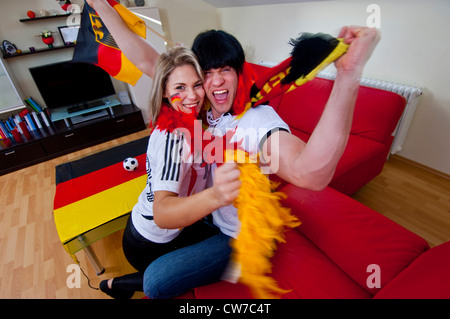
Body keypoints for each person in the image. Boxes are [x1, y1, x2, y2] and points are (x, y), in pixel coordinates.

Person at [86, 0, 380, 299]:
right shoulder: (199, 107)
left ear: (240, 72)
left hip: (234, 235)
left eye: (225, 69)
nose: (216, 82)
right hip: (206, 218)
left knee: (156, 282)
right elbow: (147, 60)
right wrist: (100, 5)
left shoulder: (255, 119)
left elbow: (310, 173)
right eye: (206, 74)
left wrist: (348, 75)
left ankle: (120, 285)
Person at [99, 46, 242, 299]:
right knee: (180, 276)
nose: (192, 96)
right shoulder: (173, 139)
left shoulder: (194, 122)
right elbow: (163, 213)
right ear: (164, 92)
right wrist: (219, 195)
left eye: (197, 85)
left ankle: (116, 285)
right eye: (179, 88)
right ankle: (119, 284)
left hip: (166, 227)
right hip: (151, 241)